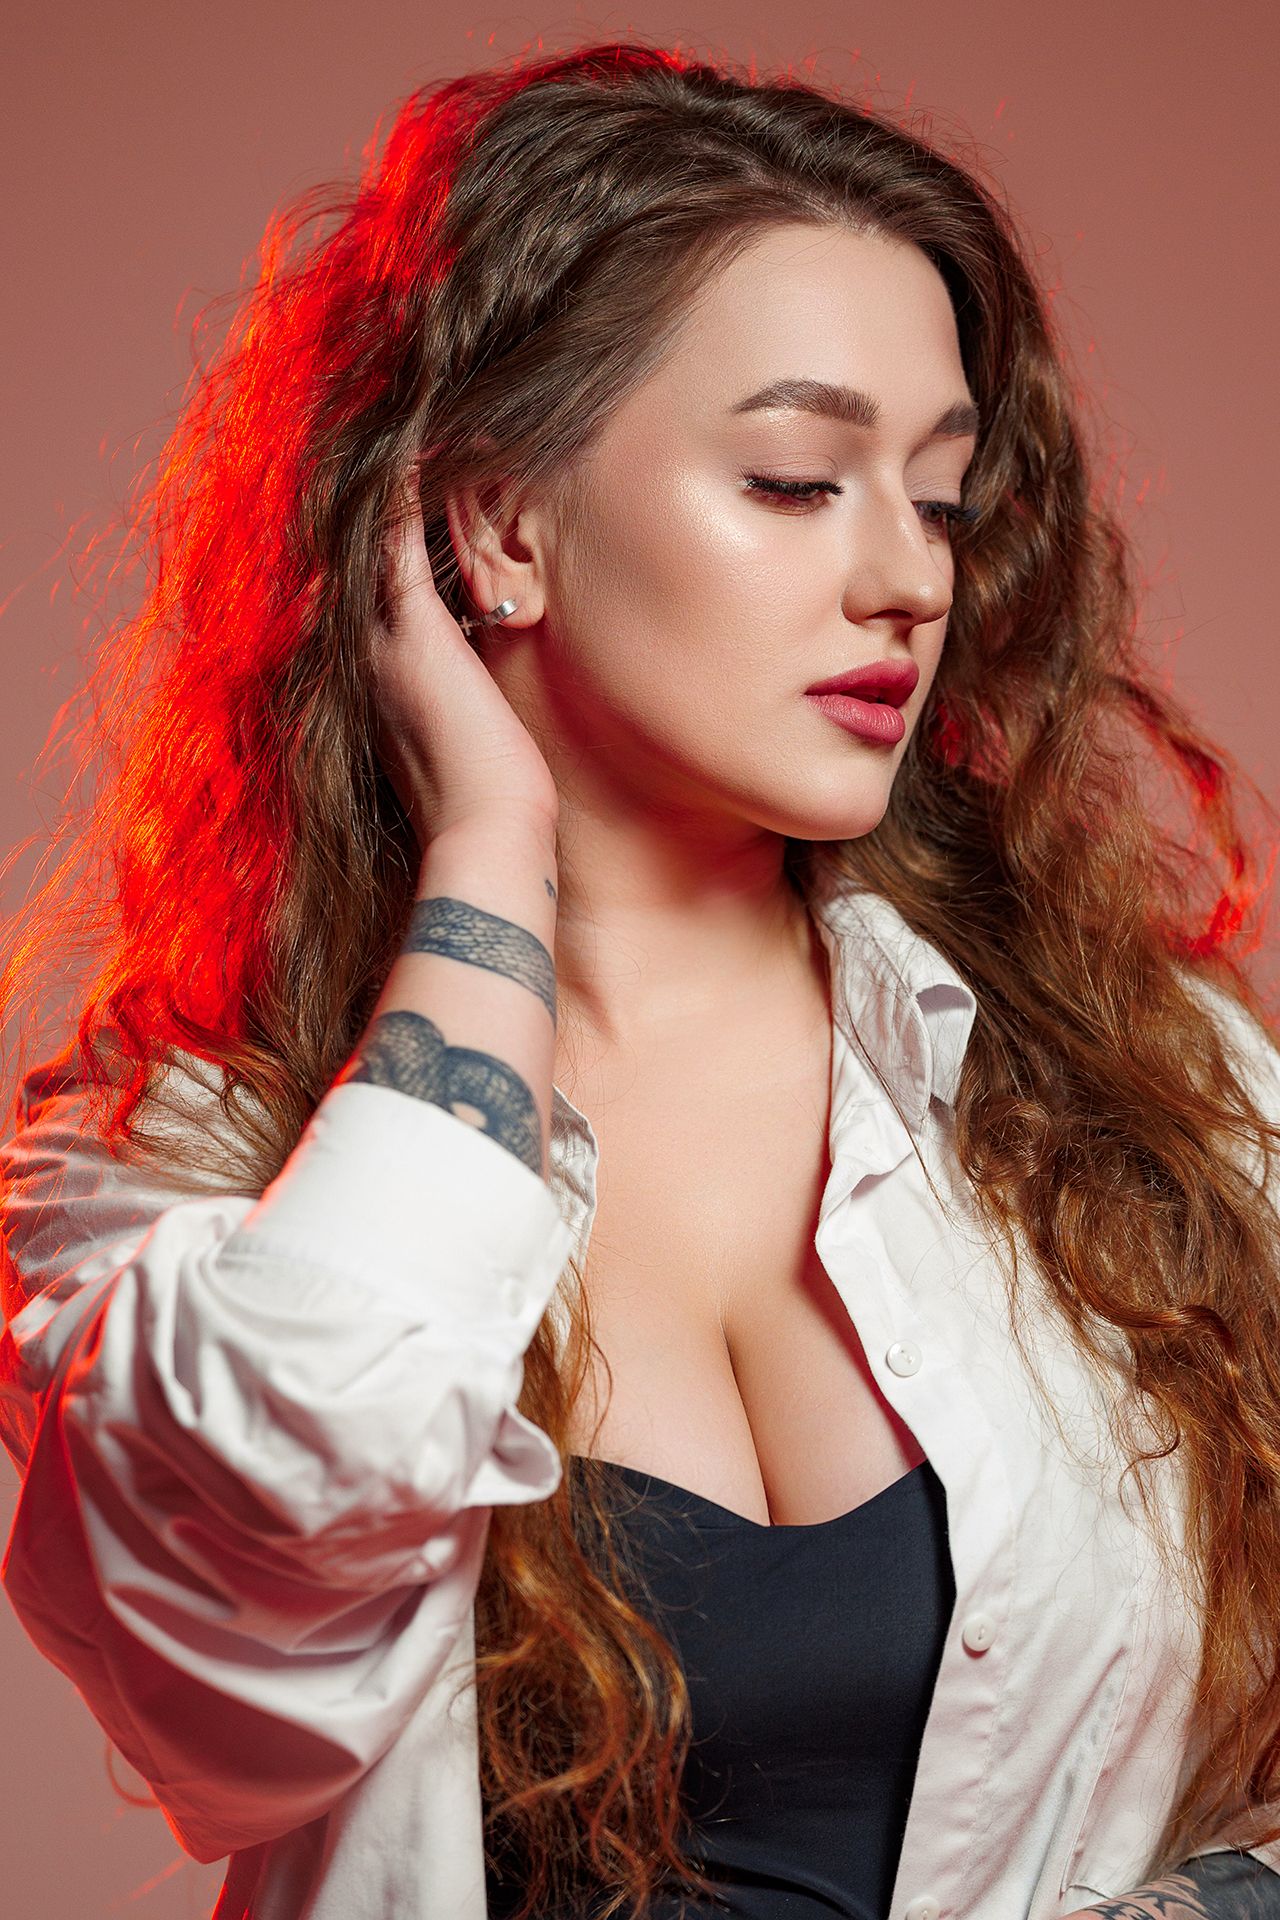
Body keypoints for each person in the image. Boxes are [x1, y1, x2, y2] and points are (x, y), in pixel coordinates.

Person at [2, 35, 1280, 1920]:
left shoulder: (1158, 1089)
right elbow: (250, 1635)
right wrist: (487, 860)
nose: (911, 579)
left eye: (938, 495)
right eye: (795, 479)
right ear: (497, 526)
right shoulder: (185, 1160)